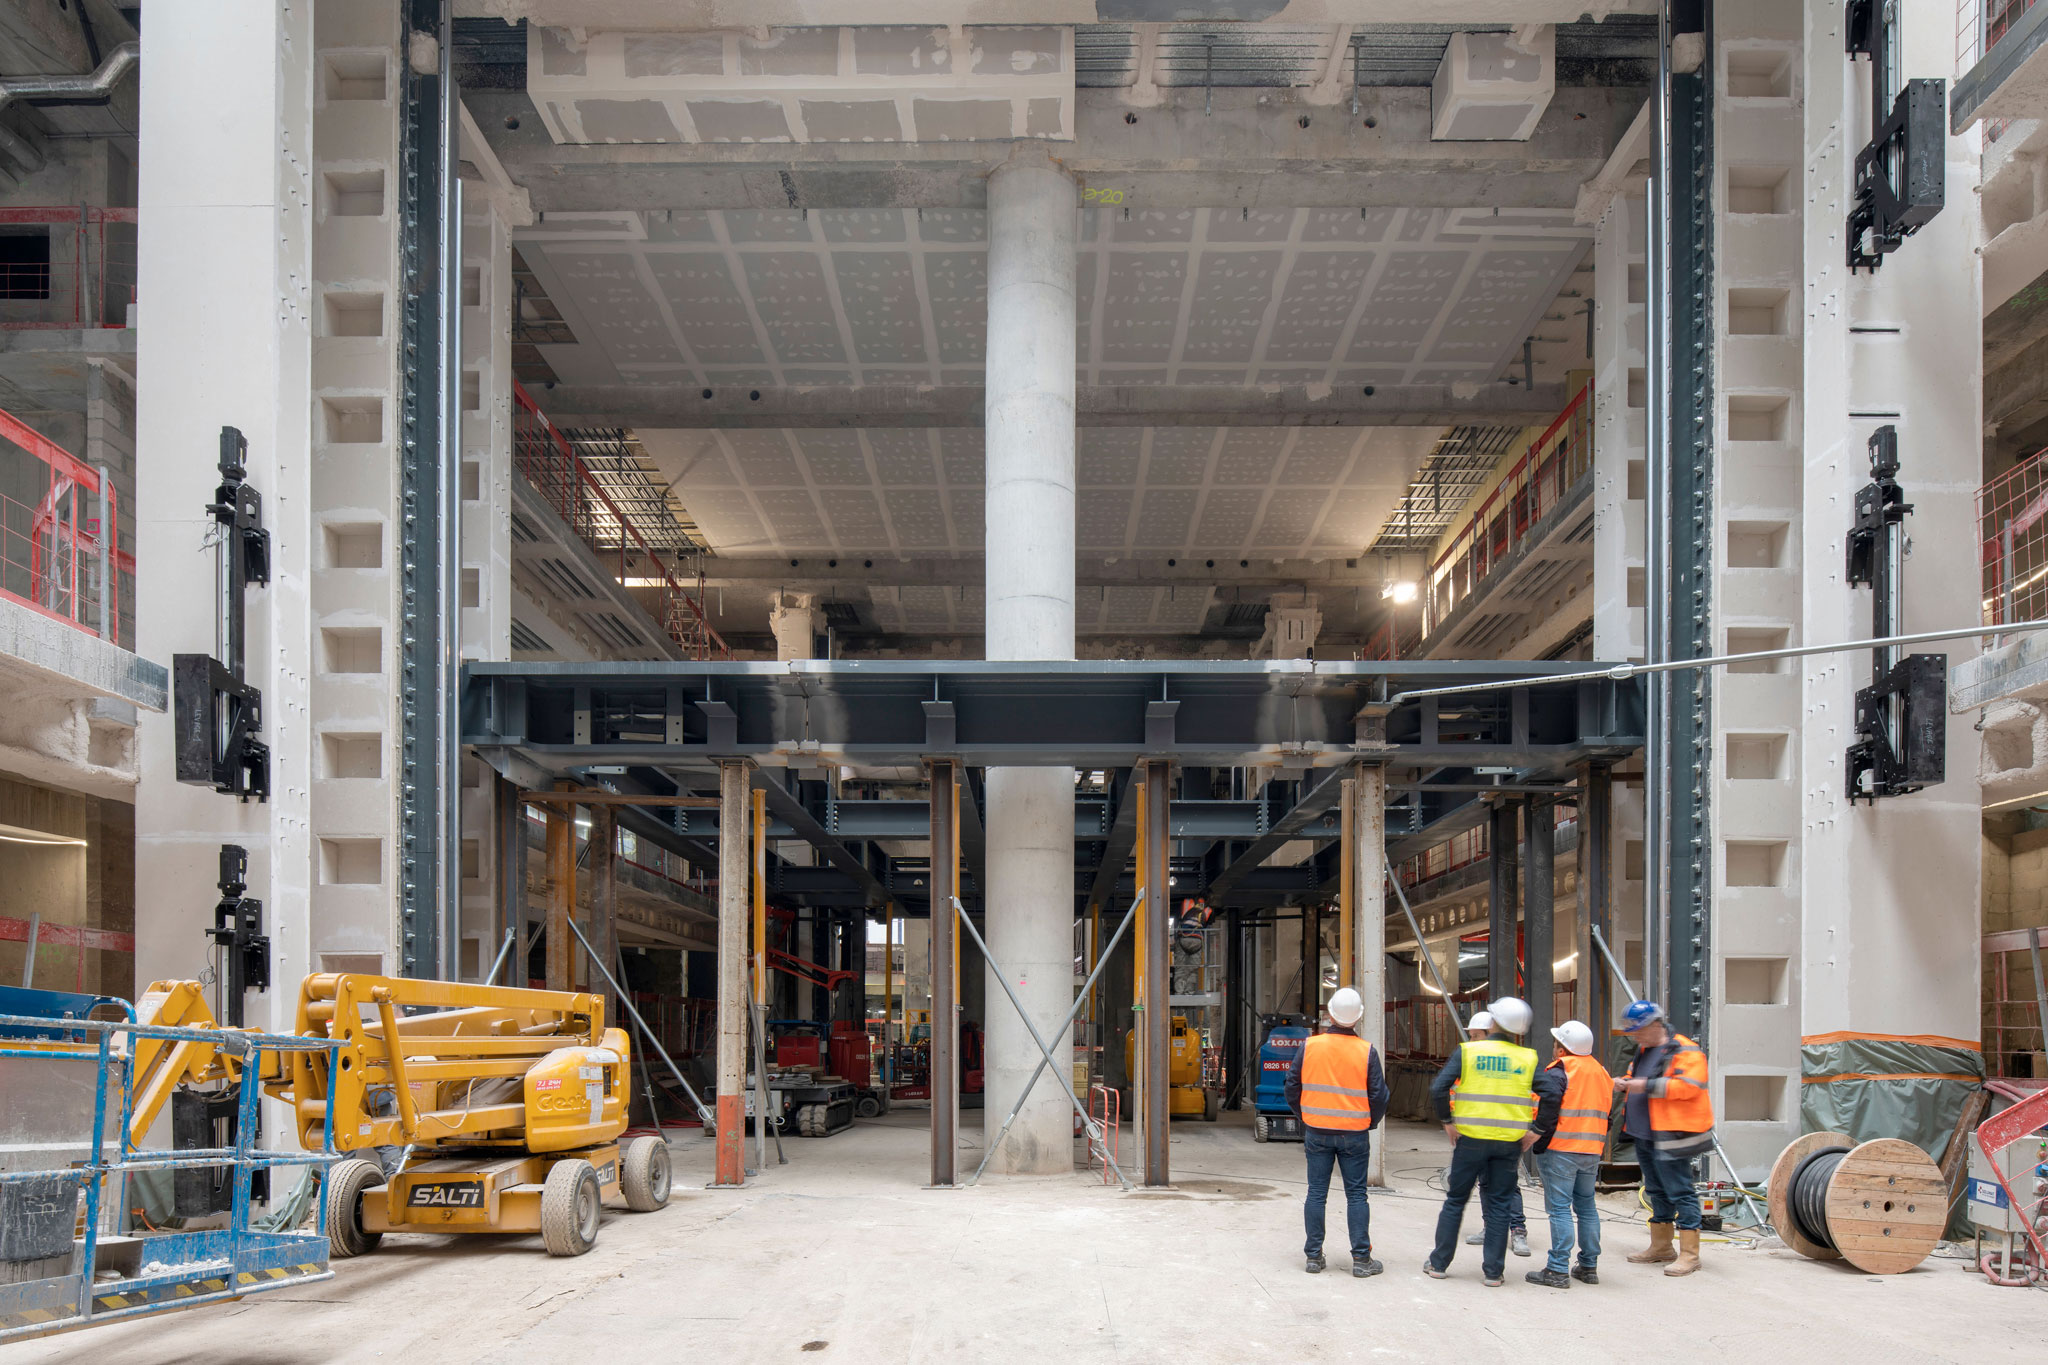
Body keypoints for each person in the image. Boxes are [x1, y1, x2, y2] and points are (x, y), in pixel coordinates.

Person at [1423, 996, 1540, 1287]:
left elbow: (1439, 1087)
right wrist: (1537, 1129)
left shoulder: (1468, 1052)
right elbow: (1551, 1093)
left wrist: (1447, 1121)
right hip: (1508, 1143)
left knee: (1455, 1201)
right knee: (1501, 1206)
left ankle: (1438, 1264)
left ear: (1493, 1022)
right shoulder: (1527, 1058)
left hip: (1471, 1139)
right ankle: (1493, 1272)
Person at [1285, 986, 1391, 1278]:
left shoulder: (1310, 1046)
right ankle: (1361, 1259)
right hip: (1354, 1134)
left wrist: (1305, 1115)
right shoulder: (1366, 1051)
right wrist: (1369, 1122)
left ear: (1329, 1013)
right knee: (1357, 1195)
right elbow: (1380, 1096)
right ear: (1357, 1018)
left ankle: (1313, 1257)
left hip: (1317, 1130)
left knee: (1316, 1193)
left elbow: (1292, 1086)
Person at [1614, 999, 1714, 1277]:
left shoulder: (1684, 1050)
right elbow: (1638, 1077)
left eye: (1638, 1030)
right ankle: (1661, 1247)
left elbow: (1689, 1087)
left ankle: (1690, 1255)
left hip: (1672, 1134)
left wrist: (1641, 1085)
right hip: (1645, 1134)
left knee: (1680, 1190)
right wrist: (1625, 1081)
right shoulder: (1644, 1050)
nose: (1634, 1036)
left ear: (1655, 1024)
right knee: (1656, 1190)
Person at [1524, 1019, 1612, 1288]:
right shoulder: (1602, 1073)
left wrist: (1536, 1140)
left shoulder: (1560, 1071)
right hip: (1591, 1151)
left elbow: (1548, 1112)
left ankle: (1558, 1269)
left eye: (1555, 1044)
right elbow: (1608, 1116)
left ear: (1561, 1049)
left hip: (1561, 1149)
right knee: (1586, 1208)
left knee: (1560, 1209)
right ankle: (1588, 1266)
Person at [1457, 1011, 1532, 1259]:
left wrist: (1530, 1130)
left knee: (1509, 1185)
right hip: (1478, 1132)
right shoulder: (1473, 1058)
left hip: (1506, 1133)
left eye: (1477, 1035)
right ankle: (1491, 1227)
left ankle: (1517, 1230)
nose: (1473, 1041)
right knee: (1485, 1183)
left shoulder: (1512, 1059)